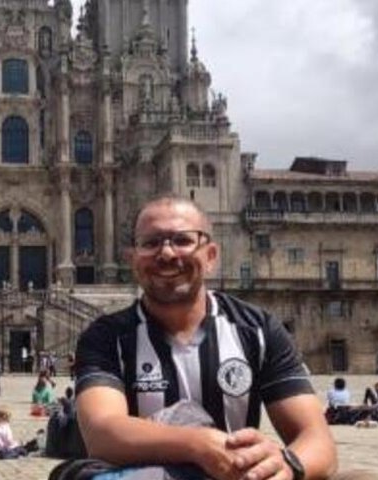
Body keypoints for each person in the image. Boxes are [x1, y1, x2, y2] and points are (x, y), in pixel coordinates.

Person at [62, 196, 340, 480]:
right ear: (133, 259)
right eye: (151, 242)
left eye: (182, 240)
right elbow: (102, 432)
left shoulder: (257, 330)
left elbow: (318, 440)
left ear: (210, 256)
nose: (167, 253)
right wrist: (199, 445)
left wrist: (286, 466)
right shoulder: (106, 337)